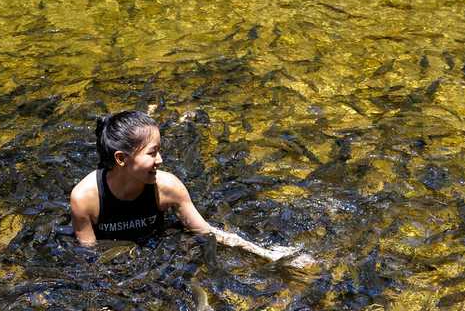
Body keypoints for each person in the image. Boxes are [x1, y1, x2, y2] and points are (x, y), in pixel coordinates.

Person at [70, 110, 307, 262]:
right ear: (121, 159)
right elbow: (91, 257)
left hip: (156, 251)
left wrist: (267, 254)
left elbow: (206, 231)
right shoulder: (85, 198)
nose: (161, 160)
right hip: (118, 259)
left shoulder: (168, 187)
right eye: (153, 153)